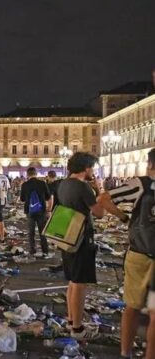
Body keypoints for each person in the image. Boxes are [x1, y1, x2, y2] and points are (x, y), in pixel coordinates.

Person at [58, 152, 125, 340]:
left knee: (72, 281)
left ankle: (71, 320)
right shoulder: (83, 187)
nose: (93, 171)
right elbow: (100, 213)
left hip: (67, 237)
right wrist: (99, 189)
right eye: (92, 168)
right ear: (86, 168)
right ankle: (78, 329)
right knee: (80, 284)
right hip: (82, 238)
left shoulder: (63, 184)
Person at [97, 148, 155, 358]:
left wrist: (124, 218)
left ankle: (126, 351)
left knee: (132, 305)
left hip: (140, 252)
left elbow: (104, 198)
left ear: (149, 165)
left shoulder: (141, 184)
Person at [20, 167, 52, 256]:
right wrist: (49, 209)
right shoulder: (42, 183)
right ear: (36, 174)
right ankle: (45, 251)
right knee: (42, 231)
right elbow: (48, 197)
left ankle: (32, 250)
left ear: (27, 175)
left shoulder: (25, 185)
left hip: (29, 211)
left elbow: (22, 199)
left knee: (31, 232)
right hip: (41, 211)